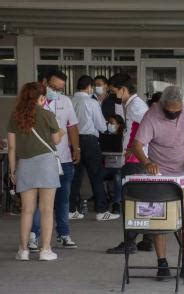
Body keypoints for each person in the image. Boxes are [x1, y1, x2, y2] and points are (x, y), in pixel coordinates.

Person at [131, 85, 184, 280]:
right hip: (161, 176)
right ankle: (162, 263)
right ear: (162, 104)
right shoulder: (151, 115)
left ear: (183, 104)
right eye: (169, 111)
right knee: (159, 221)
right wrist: (147, 163)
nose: (173, 114)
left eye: (177, 111)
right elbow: (137, 145)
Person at [8, 82, 64, 261]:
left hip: (24, 165)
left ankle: (23, 250)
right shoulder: (47, 114)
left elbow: (11, 147)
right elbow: (55, 140)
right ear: (41, 98)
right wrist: (61, 132)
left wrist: (12, 170)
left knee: (26, 210)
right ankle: (45, 250)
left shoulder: (15, 116)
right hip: (46, 164)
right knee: (47, 209)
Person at [30, 70, 81, 250]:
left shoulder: (65, 101)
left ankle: (63, 234)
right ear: (44, 82)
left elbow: (72, 126)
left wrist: (76, 148)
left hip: (64, 159)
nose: (56, 91)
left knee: (63, 199)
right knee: (40, 200)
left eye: (59, 89)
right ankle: (34, 235)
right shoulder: (31, 103)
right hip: (41, 158)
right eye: (52, 87)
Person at [105, 73, 153, 254]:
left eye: (114, 91)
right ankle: (147, 239)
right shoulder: (134, 104)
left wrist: (134, 147)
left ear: (123, 90)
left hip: (135, 161)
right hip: (138, 158)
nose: (113, 94)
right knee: (143, 200)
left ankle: (130, 242)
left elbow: (147, 126)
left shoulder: (134, 105)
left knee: (131, 201)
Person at [70, 75, 119, 221]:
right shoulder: (91, 102)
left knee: (75, 177)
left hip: (73, 141)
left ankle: (71, 209)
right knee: (96, 176)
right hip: (89, 141)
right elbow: (101, 125)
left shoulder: (70, 101)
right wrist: (111, 128)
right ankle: (102, 210)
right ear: (89, 87)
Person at [102, 114, 125, 214]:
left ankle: (117, 203)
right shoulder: (104, 136)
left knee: (117, 177)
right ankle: (103, 200)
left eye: (112, 123)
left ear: (119, 125)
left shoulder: (123, 138)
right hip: (107, 166)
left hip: (120, 167)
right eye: (108, 123)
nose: (109, 125)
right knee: (97, 176)